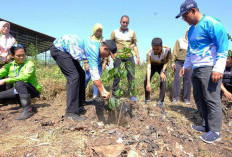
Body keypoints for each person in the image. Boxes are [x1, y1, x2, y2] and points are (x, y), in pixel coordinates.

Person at [177, 0, 229, 143]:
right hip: (196, 68)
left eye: (185, 15)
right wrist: (185, 66)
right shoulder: (192, 29)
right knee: (199, 97)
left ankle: (215, 131)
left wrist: (218, 68)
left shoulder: (212, 23)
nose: (184, 19)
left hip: (209, 67)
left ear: (193, 10)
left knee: (211, 98)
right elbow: (190, 50)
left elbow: (223, 46)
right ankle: (206, 125)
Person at [50, 35, 117, 122]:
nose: (107, 57)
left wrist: (103, 89)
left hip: (66, 51)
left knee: (81, 74)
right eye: (108, 55)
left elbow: (96, 75)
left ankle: (80, 102)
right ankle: (70, 113)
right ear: (105, 49)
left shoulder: (96, 48)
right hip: (59, 49)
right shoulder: (94, 50)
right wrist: (102, 91)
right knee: (73, 77)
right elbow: (94, 74)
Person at [0, 44, 42, 120]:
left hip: (33, 89)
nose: (22, 57)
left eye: (23, 55)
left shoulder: (29, 64)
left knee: (19, 82)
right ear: (12, 55)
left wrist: (5, 80)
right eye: (18, 56)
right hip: (18, 90)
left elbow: (25, 77)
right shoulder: (10, 65)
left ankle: (28, 109)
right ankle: (20, 101)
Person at [111, 15, 140, 101]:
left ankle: (132, 95)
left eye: (127, 22)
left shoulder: (132, 32)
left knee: (131, 75)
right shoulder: (115, 32)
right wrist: (112, 56)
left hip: (129, 56)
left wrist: (137, 56)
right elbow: (111, 45)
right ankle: (114, 95)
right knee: (117, 75)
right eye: (123, 22)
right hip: (118, 56)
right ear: (120, 22)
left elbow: (134, 45)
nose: (125, 24)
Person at [85, 23, 110, 99]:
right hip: (90, 62)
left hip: (99, 63)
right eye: (97, 31)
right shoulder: (89, 39)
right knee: (86, 78)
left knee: (97, 78)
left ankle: (95, 96)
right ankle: (80, 93)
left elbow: (106, 52)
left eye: (100, 31)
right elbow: (86, 52)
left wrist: (104, 63)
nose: (98, 32)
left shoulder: (103, 40)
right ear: (94, 31)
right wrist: (86, 63)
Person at [144, 38, 171, 106]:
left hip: (162, 65)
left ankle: (161, 101)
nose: (155, 51)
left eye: (157, 49)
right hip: (152, 65)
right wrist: (148, 83)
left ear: (161, 46)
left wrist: (163, 71)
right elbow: (148, 67)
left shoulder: (167, 49)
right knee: (146, 80)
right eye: (154, 49)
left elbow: (167, 61)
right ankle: (147, 99)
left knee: (163, 80)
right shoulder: (149, 53)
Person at [171, 29, 192, 104]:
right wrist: (173, 62)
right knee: (177, 80)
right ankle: (175, 98)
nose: (189, 33)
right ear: (186, 32)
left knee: (188, 81)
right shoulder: (179, 40)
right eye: (188, 32)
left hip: (189, 63)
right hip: (179, 62)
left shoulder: (193, 41)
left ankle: (186, 99)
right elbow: (174, 52)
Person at [0, 21, 17, 91]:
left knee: (9, 80)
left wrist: (10, 56)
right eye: (4, 26)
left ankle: (8, 98)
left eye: (8, 27)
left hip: (9, 62)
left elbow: (16, 49)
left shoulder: (12, 39)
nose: (6, 28)